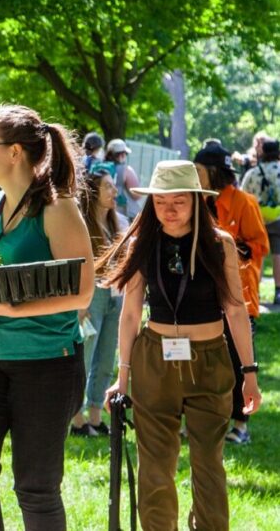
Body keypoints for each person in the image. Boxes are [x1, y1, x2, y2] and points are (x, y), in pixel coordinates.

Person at [0, 106, 95, 530]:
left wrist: (6, 307)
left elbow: (82, 291)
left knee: (35, 487)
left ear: (14, 152)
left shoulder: (57, 209)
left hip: (47, 362)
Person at [102, 160, 261, 530]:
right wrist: (121, 376)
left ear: (196, 201)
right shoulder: (145, 243)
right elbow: (129, 315)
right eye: (160, 202)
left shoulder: (219, 244)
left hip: (210, 363)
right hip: (154, 362)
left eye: (178, 202)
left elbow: (236, 312)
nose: (169, 211)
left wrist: (249, 373)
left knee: (209, 465)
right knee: (155, 467)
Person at [193, 141, 269, 445]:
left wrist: (226, 252)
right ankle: (200, 421)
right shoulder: (195, 201)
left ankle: (241, 425)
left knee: (239, 363)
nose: (194, 174)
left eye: (198, 169)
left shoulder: (244, 201)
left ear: (212, 172)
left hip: (238, 296)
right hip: (201, 296)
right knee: (200, 362)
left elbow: (259, 245)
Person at [70, 163, 129, 436]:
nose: (115, 190)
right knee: (85, 357)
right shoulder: (80, 225)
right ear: (93, 191)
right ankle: (76, 417)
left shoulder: (120, 222)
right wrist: (80, 304)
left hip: (116, 295)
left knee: (106, 358)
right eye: (108, 186)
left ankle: (96, 414)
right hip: (91, 296)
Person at [240, 138, 280, 306]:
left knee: (258, 254)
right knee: (278, 254)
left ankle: (255, 288)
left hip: (256, 219)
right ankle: (278, 291)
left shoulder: (253, 173)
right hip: (278, 218)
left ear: (262, 153)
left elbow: (243, 195)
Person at [106, 138, 143, 220]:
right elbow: (137, 195)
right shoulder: (126, 170)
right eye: (125, 154)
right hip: (126, 215)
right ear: (121, 155)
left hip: (108, 215)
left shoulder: (102, 170)